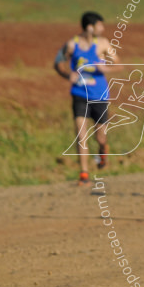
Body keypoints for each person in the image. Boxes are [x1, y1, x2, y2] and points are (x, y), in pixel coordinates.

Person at [54, 11, 117, 185]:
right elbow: (58, 62)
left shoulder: (103, 44)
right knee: (81, 135)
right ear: (90, 27)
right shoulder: (72, 45)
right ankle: (84, 174)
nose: (103, 29)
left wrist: (106, 69)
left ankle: (103, 150)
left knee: (100, 137)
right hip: (80, 95)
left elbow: (119, 65)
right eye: (100, 25)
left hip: (100, 95)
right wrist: (68, 74)